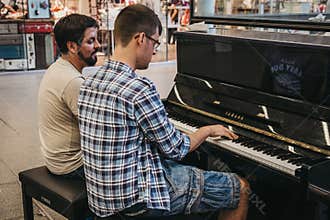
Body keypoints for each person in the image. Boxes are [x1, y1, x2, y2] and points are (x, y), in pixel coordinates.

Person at [78, 4, 249, 220]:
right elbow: (176, 149)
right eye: (155, 42)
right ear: (141, 39)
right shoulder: (138, 87)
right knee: (240, 188)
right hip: (136, 201)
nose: (155, 50)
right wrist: (207, 130)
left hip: (102, 198)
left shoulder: (90, 80)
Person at [38, 14, 100, 180]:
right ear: (72, 46)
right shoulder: (72, 81)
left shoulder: (57, 67)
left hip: (54, 160)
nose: (98, 45)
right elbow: (98, 130)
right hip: (72, 166)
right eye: (91, 41)